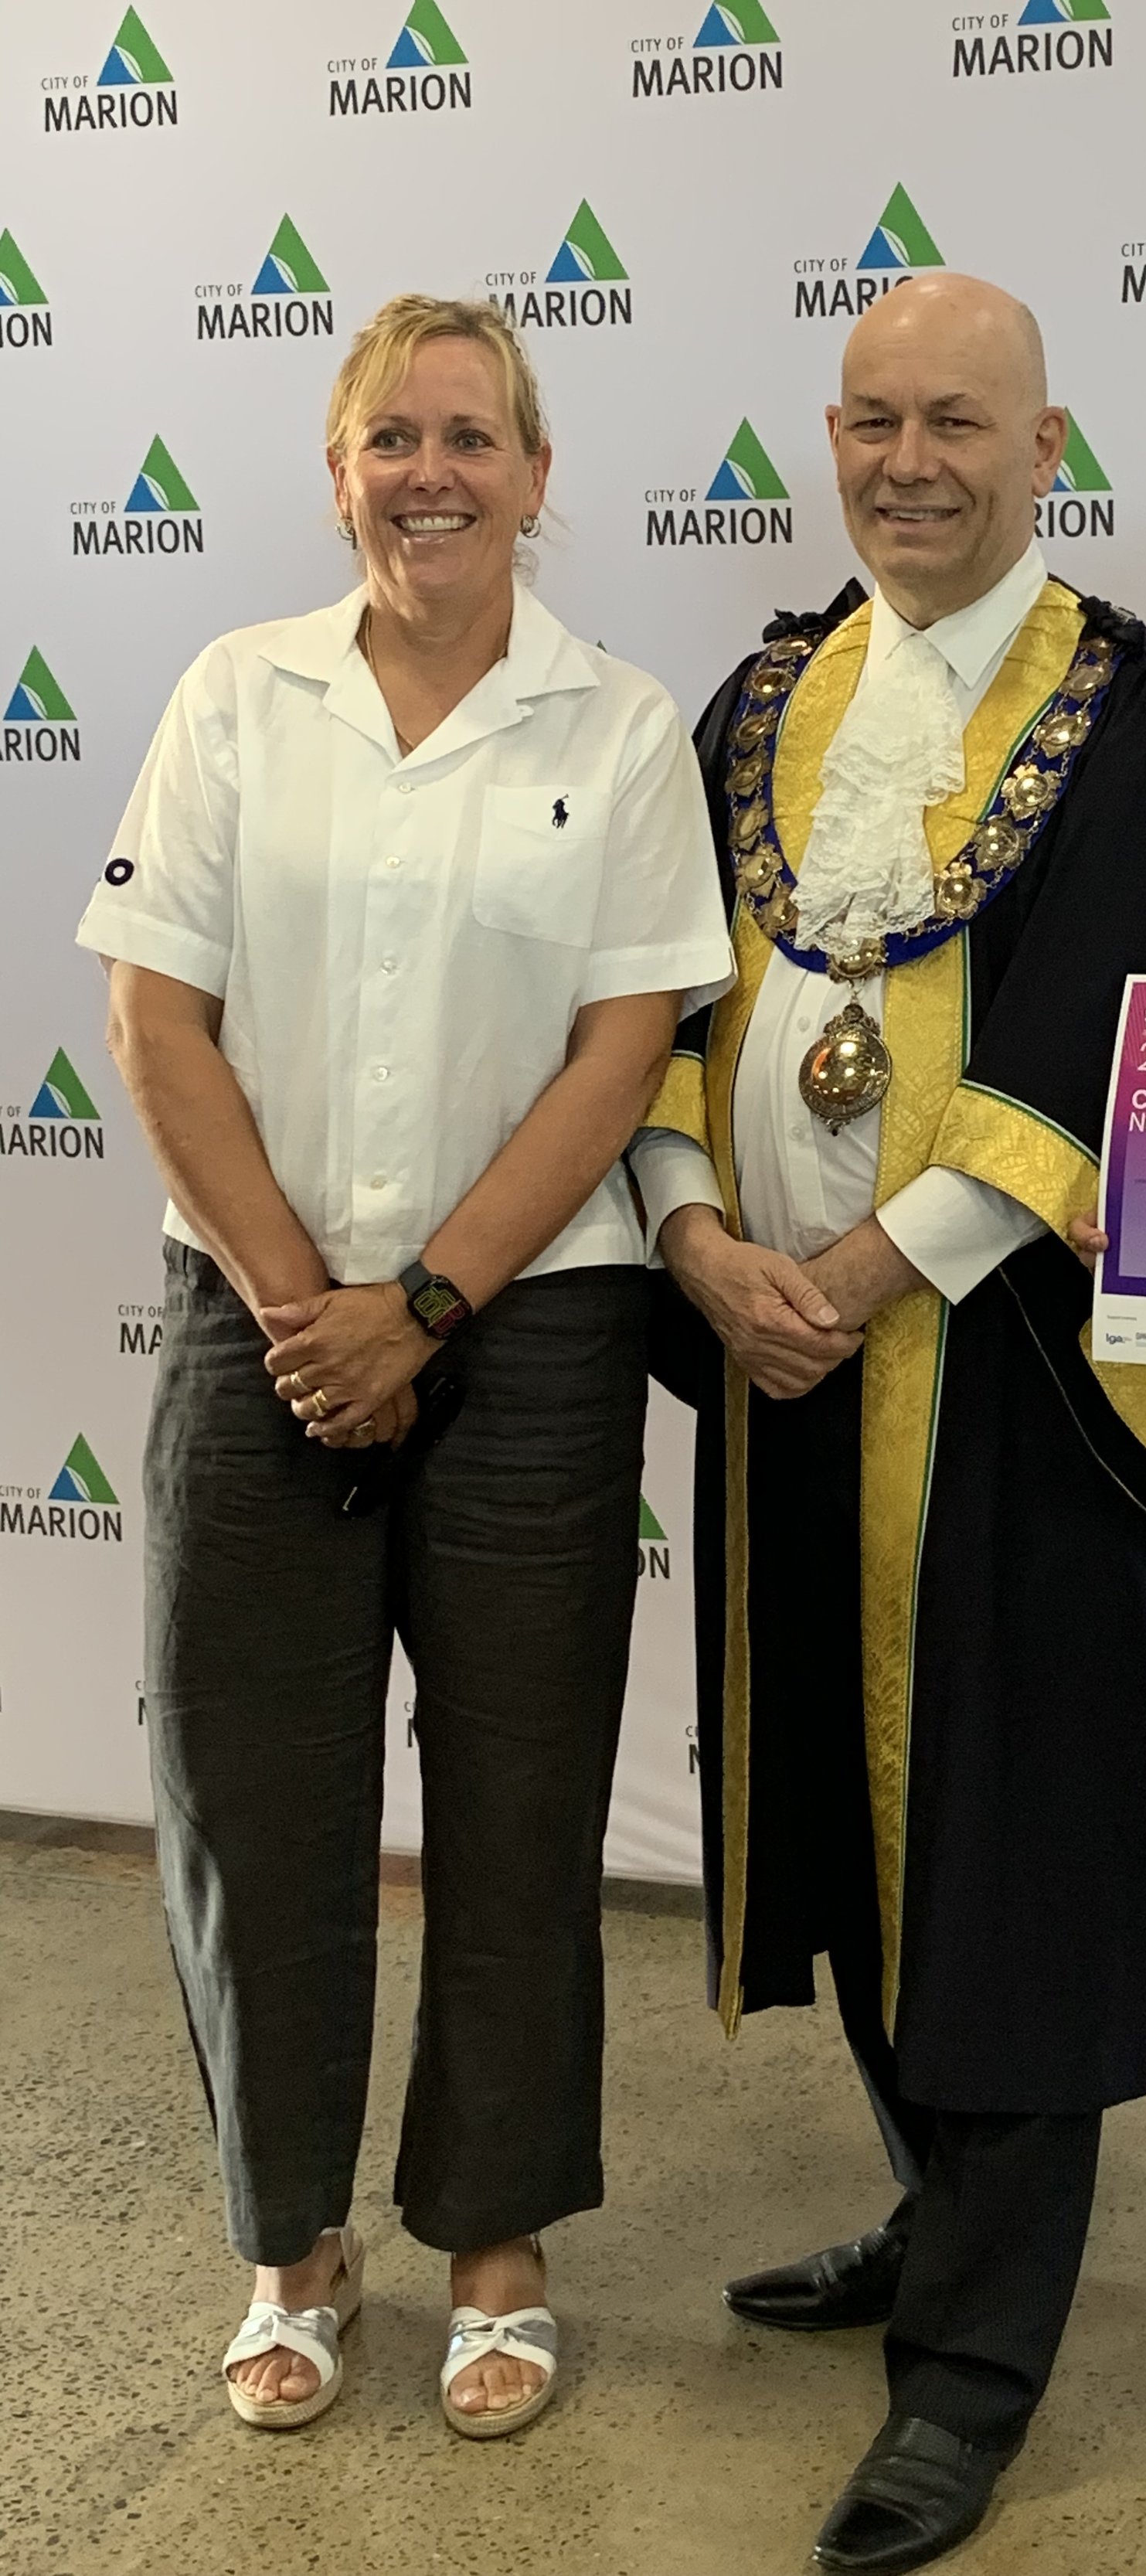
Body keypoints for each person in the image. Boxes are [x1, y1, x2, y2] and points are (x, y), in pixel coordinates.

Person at [631, 272, 1146, 2573]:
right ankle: (943, 2219)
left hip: (1025, 1381)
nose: (912, 461)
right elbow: (665, 997)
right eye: (874, 419)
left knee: (1011, 1859)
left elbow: (1118, 1026)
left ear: (1043, 442)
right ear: (830, 431)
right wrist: (703, 1239)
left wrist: (877, 1266)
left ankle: (972, 2370)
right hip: (776, 1357)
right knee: (849, 1831)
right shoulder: (758, 698)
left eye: (958, 422)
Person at [75, 294, 732, 2439]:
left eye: (470, 435)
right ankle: (293, 2241)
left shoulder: (617, 727)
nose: (429, 472)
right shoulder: (229, 697)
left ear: (536, 477)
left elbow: (622, 1045)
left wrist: (425, 1306)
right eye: (390, 438)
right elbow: (154, 1019)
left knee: (524, 1797)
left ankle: (499, 2246)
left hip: (528, 1331)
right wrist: (303, 1306)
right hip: (259, 1318)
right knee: (256, 1806)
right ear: (336, 470)